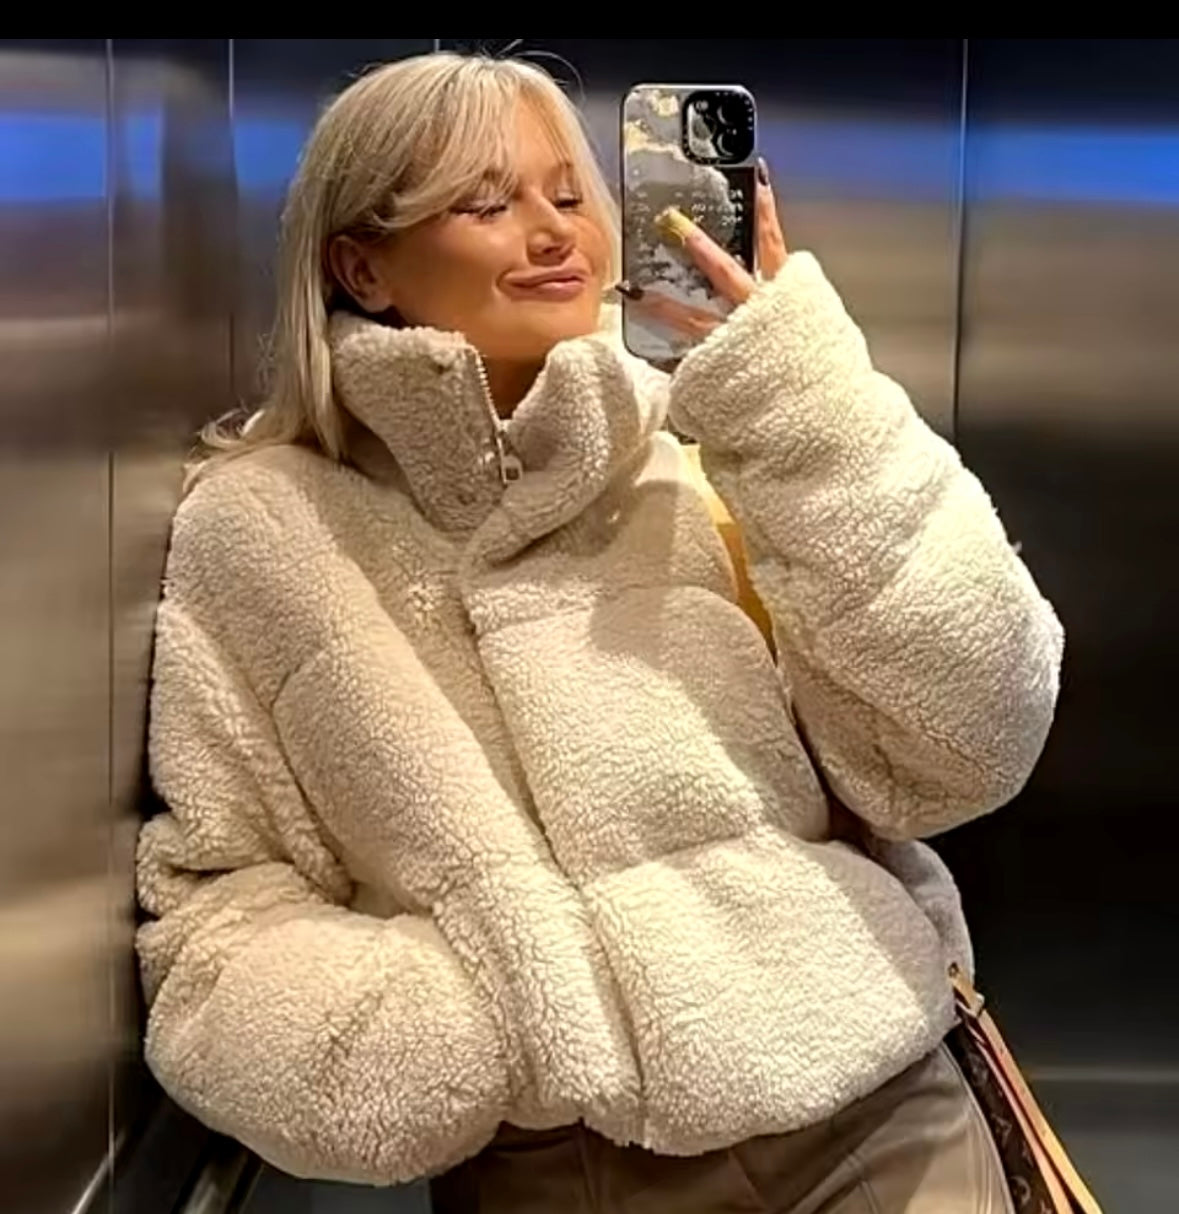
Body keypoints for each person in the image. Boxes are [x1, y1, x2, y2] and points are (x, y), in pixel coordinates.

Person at [136, 52, 1063, 1213]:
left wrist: (800, 396)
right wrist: (475, 1029)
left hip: (877, 1121)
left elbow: (969, 739)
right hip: (558, 1171)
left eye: (571, 194)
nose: (552, 233)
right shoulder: (266, 528)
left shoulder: (723, 441)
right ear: (360, 264)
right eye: (486, 203)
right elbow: (217, 901)